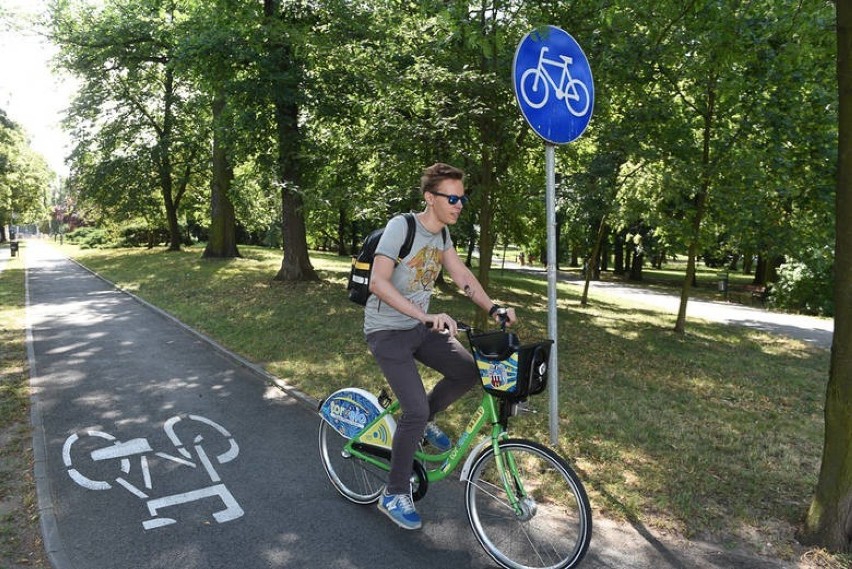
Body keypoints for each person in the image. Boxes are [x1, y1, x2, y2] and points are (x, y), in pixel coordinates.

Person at [365, 162, 517, 530]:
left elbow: (462, 275)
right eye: (452, 197)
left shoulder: (444, 236)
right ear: (430, 199)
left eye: (462, 197)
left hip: (420, 327)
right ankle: (394, 492)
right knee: (413, 410)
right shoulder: (402, 227)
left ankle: (423, 421)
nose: (459, 204)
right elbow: (377, 282)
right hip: (386, 331)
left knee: (467, 371)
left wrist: (493, 307)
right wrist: (424, 315)